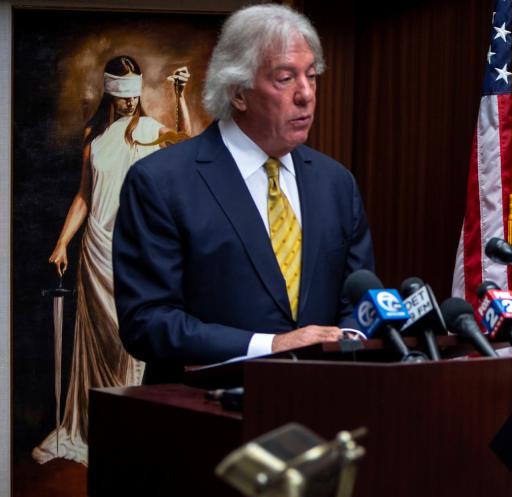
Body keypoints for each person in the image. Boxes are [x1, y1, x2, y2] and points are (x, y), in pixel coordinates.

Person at [112, 4, 374, 383]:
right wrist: (271, 346)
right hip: (206, 420)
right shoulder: (160, 182)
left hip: (321, 413)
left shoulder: (336, 183)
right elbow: (147, 322)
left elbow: (359, 301)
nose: (306, 94)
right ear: (238, 93)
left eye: (312, 76)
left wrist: (349, 342)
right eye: (285, 78)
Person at [33, 56, 191, 465]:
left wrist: (180, 96)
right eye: (121, 96)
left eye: (133, 96)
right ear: (109, 94)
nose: (128, 104)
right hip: (95, 250)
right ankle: (89, 426)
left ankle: (127, 424)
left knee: (130, 339)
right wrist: (62, 242)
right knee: (99, 341)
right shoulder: (94, 137)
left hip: (131, 250)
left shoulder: (150, 132)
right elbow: (84, 196)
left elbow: (188, 145)